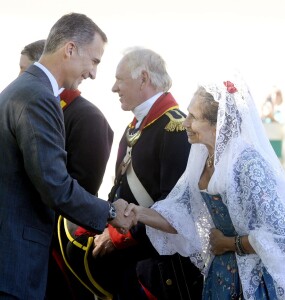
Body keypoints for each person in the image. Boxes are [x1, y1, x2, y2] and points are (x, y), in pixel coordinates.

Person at [124, 78, 285, 299]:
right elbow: (180, 214)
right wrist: (137, 212)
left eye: (193, 117)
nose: (185, 123)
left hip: (254, 281)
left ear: (219, 125)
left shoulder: (248, 164)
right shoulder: (202, 157)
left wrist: (229, 243)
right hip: (221, 273)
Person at [0, 13, 133, 299]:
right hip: (15, 262)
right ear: (70, 49)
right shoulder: (37, 96)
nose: (94, 74)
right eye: (94, 61)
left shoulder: (20, 90)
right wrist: (110, 213)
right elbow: (54, 185)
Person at [66, 47, 203, 300]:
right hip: (131, 265)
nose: (114, 88)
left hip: (154, 270)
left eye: (119, 79)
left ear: (143, 78)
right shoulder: (136, 126)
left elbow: (176, 210)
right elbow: (118, 189)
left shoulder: (173, 129)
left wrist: (119, 236)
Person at [19, 38, 114, 300]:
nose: (20, 78)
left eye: (25, 71)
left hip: (56, 247)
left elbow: (83, 187)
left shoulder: (88, 118)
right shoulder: (25, 105)